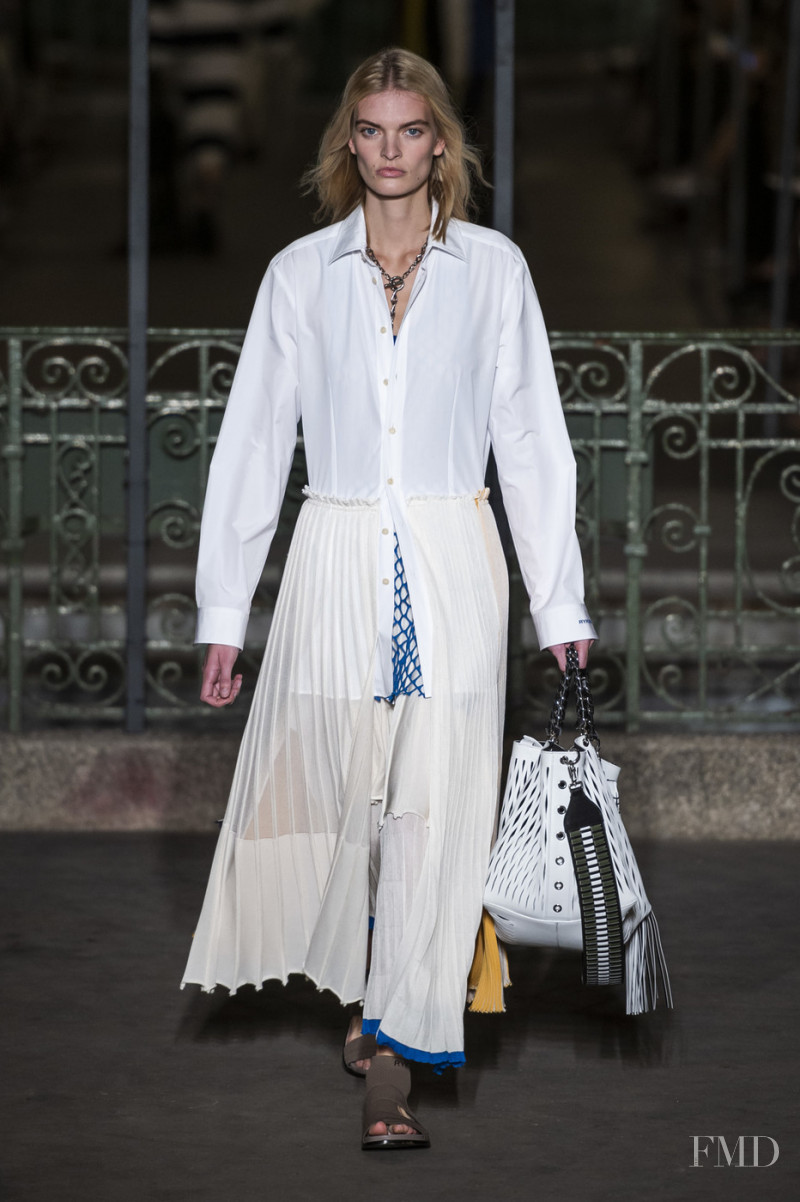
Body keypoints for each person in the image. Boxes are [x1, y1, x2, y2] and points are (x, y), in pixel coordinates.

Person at [181, 46, 595, 1151]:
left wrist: (559, 605)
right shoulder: (298, 275)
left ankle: (395, 1057)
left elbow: (531, 441)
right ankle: (370, 993)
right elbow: (254, 443)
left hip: (454, 564)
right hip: (334, 560)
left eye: (412, 130)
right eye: (372, 130)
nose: (392, 150)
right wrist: (226, 612)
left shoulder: (492, 269)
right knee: (336, 808)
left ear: (440, 144)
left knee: (433, 814)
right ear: (346, 144)